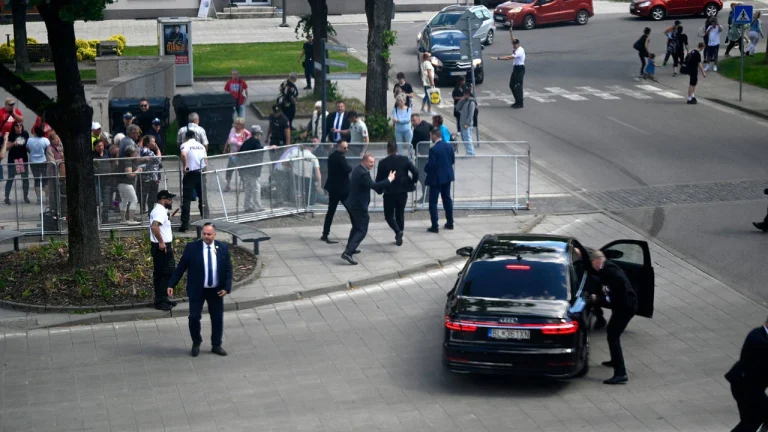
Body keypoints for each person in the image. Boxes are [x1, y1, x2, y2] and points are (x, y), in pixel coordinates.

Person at [168, 222, 233, 358]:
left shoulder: (222, 248)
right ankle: (196, 342)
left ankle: (216, 345)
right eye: (204, 234)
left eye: (209, 234)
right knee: (194, 317)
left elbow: (228, 269)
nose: (206, 236)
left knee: (217, 318)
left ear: (214, 234)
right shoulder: (192, 248)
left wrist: (226, 288)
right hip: (197, 289)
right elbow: (181, 267)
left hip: (216, 290)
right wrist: (171, 284)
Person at [588, 250, 638, 385]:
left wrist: (597, 299)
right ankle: (614, 361)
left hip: (625, 308)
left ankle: (621, 373)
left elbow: (613, 296)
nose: (592, 266)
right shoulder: (608, 268)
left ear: (596, 261)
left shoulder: (611, 272)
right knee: (611, 332)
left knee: (613, 336)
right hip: (622, 306)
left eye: (592, 263)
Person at [341, 153, 395, 265]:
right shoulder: (363, 173)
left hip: (353, 204)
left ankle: (351, 247)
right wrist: (389, 179)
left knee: (356, 227)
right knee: (362, 229)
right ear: (364, 161)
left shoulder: (359, 169)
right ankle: (348, 252)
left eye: (373, 163)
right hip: (359, 206)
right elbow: (374, 186)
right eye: (370, 162)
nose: (372, 165)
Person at [724, 316, 768, 432]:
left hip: (747, 384)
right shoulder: (760, 341)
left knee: (752, 419)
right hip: (745, 386)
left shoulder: (758, 333)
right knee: (753, 419)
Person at [376, 141, 419, 246]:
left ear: (387, 150)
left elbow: (379, 179)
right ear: (397, 150)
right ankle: (400, 234)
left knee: (389, 215)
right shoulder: (404, 159)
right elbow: (416, 172)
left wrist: (379, 189)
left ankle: (397, 231)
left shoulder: (383, 163)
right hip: (402, 191)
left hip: (389, 192)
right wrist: (412, 181)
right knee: (400, 214)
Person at [149, 190, 178, 311]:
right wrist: (161, 241)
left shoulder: (159, 210)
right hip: (162, 246)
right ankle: (160, 300)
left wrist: (169, 217)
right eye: (169, 199)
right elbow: (155, 226)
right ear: (163, 199)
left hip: (160, 246)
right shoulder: (160, 211)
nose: (171, 201)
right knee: (167, 272)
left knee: (161, 273)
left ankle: (163, 298)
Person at [424, 127, 454, 233]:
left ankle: (435, 225)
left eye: (431, 135)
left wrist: (425, 168)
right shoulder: (449, 146)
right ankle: (450, 222)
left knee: (433, 202)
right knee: (447, 199)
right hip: (447, 177)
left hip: (436, 178)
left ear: (434, 135)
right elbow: (452, 160)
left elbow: (431, 164)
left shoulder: (433, 149)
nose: (430, 138)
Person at [239, 125, 275, 213]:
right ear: (259, 134)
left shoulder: (246, 142)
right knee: (255, 188)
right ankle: (258, 206)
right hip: (253, 170)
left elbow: (240, 153)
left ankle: (247, 206)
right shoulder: (256, 142)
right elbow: (260, 149)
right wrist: (271, 147)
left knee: (248, 188)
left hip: (244, 169)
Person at [321, 141, 352, 243]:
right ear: (339, 147)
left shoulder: (331, 157)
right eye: (344, 148)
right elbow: (347, 169)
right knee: (351, 209)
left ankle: (325, 233)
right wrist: (350, 167)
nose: (346, 150)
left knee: (331, 211)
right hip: (342, 189)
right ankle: (357, 229)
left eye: (347, 148)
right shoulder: (341, 158)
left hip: (333, 188)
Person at [179, 130, 208, 232]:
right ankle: (206, 220)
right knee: (203, 198)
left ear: (186, 137)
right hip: (201, 172)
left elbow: (183, 154)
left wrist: (184, 166)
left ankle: (185, 224)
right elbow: (206, 160)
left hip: (190, 173)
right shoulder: (201, 146)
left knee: (186, 199)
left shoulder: (185, 144)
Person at [492, 38, 526, 108]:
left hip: (520, 69)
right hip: (515, 68)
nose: (513, 45)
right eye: (513, 44)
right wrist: (510, 31)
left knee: (518, 86)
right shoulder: (516, 48)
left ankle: (520, 103)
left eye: (514, 44)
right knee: (511, 85)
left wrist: (498, 58)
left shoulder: (520, 50)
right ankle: (517, 101)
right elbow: (512, 38)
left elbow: (508, 58)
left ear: (518, 44)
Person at [4, 122, 30, 205]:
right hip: (13, 160)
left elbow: (27, 145)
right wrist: (13, 144)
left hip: (23, 160)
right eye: (17, 126)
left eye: (20, 126)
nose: (19, 128)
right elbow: (7, 148)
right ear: (14, 127)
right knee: (10, 179)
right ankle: (6, 197)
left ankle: (25, 196)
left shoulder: (25, 133)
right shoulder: (11, 135)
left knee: (25, 179)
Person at [223, 117, 251, 192]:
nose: (235, 125)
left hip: (241, 155)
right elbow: (229, 139)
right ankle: (228, 185)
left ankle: (244, 186)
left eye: (237, 124)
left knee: (242, 171)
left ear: (241, 125)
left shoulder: (246, 133)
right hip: (232, 154)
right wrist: (225, 148)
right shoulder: (232, 130)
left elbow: (249, 143)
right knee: (229, 170)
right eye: (235, 123)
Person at [117, 145, 142, 225]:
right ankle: (131, 219)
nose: (136, 154)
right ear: (131, 153)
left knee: (124, 201)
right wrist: (137, 171)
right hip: (126, 183)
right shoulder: (127, 161)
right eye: (135, 153)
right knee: (134, 200)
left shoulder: (124, 160)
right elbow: (129, 174)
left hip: (121, 183)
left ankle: (123, 220)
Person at [292, 142, 323, 206]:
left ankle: (300, 199)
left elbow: (285, 163)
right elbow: (317, 172)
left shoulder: (295, 154)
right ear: (311, 148)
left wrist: (292, 168)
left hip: (295, 178)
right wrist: (319, 183)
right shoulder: (313, 157)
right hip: (307, 179)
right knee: (313, 198)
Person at [137, 135, 161, 215]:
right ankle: (149, 211)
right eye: (153, 142)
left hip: (149, 176)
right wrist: (157, 149)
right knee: (151, 195)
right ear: (147, 143)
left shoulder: (143, 150)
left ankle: (145, 209)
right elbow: (158, 159)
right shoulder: (146, 151)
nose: (155, 143)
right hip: (149, 177)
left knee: (146, 194)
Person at [26, 125, 50, 205]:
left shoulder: (30, 140)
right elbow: (48, 150)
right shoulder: (45, 140)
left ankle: (39, 199)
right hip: (43, 161)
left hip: (33, 161)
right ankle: (47, 198)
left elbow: (28, 149)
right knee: (45, 179)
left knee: (36, 180)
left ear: (35, 132)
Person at [410, 113, 432, 201]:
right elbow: (433, 128)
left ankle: (426, 196)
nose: (413, 123)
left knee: (420, 175)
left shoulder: (417, 130)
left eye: (414, 121)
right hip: (426, 152)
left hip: (421, 154)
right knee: (422, 174)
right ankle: (426, 195)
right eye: (412, 121)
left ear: (418, 120)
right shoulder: (425, 123)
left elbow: (413, 143)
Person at [455, 88, 476, 156]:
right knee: (464, 138)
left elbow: (471, 115)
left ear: (468, 94)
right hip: (462, 123)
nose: (464, 95)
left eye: (465, 94)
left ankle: (470, 153)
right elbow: (457, 108)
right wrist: (461, 100)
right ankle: (469, 151)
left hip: (466, 124)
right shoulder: (464, 101)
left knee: (467, 138)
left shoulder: (471, 103)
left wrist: (467, 124)